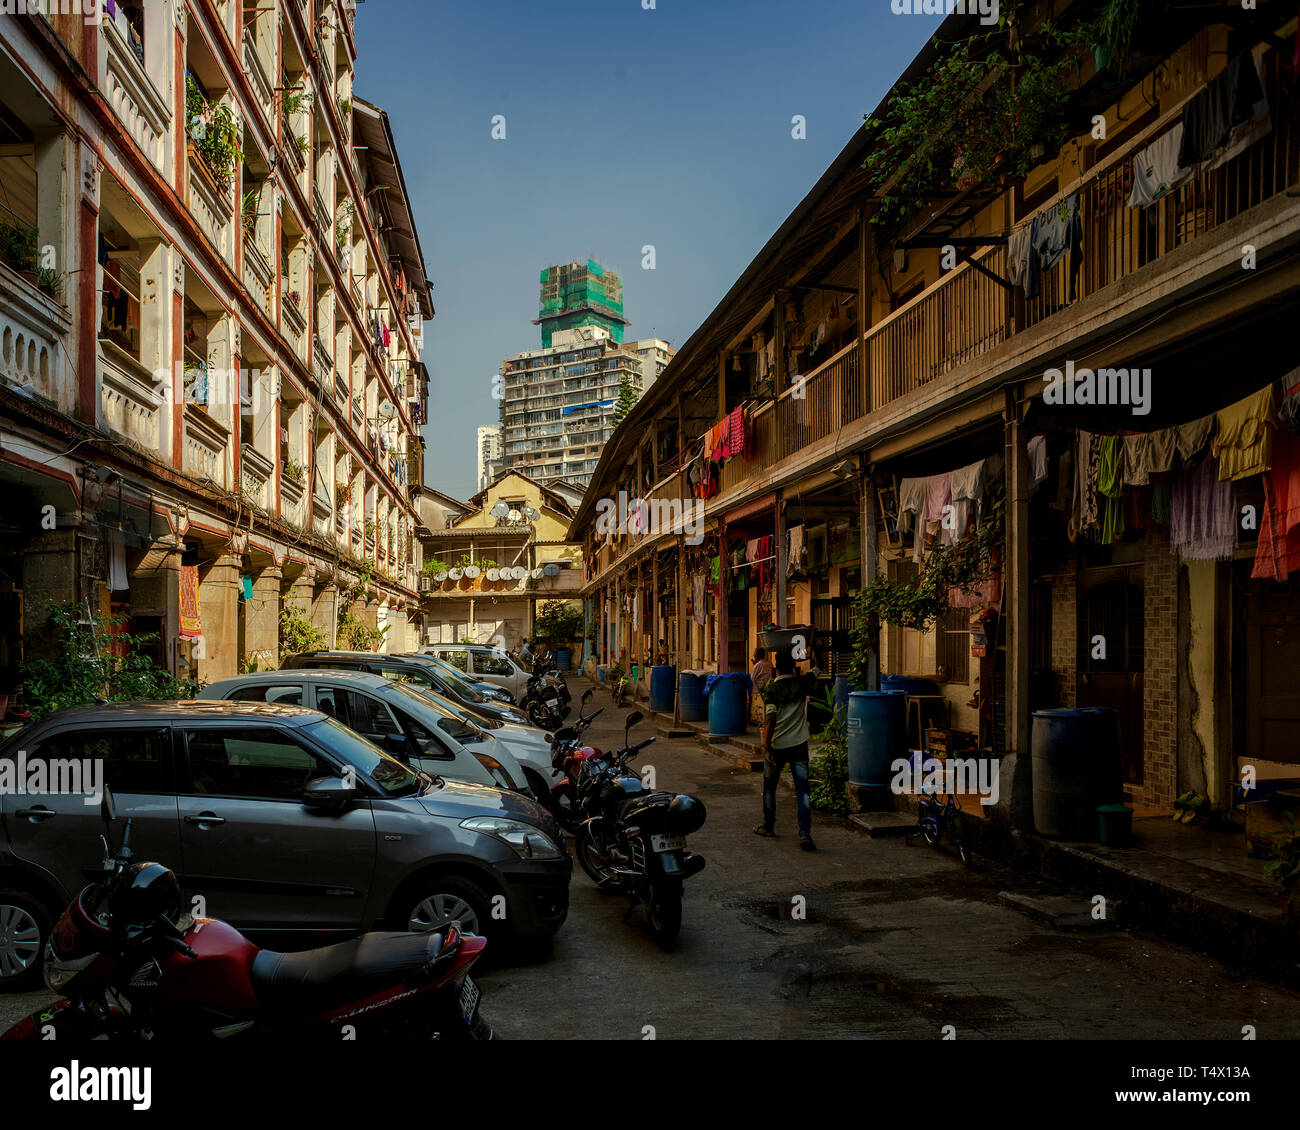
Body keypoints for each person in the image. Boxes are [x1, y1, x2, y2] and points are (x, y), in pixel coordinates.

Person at [755, 648, 820, 850]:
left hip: (777, 746)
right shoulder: (802, 683)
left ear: (775, 668)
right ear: (793, 667)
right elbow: (819, 668)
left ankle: (768, 825)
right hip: (799, 745)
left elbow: (771, 718)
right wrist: (812, 645)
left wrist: (766, 747)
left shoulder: (771, 689)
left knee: (769, 787)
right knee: (803, 791)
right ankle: (804, 834)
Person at [749, 647, 771, 723]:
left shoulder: (758, 665)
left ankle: (757, 719)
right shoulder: (769, 663)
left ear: (756, 656)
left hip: (759, 690)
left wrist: (755, 665)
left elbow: (752, 678)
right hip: (768, 688)